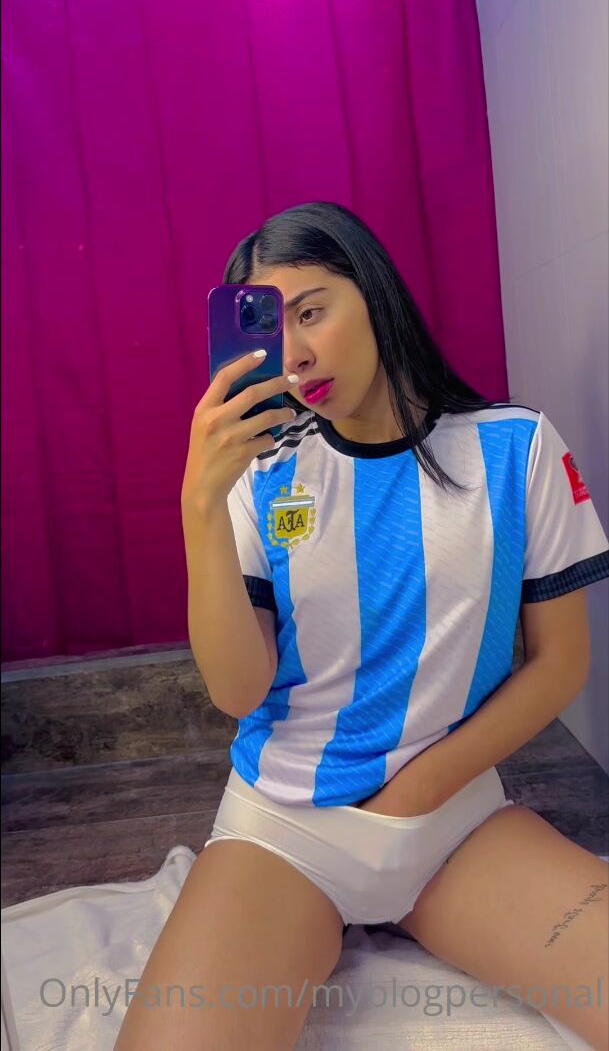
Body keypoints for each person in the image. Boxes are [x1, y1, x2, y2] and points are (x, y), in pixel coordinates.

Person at [115, 202, 609, 1051]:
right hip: (285, 833)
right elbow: (237, 690)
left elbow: (559, 663)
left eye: (312, 311)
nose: (297, 354)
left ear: (372, 292)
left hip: (456, 821)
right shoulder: (260, 476)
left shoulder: (514, 449)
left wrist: (417, 793)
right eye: (273, 332)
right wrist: (199, 503)